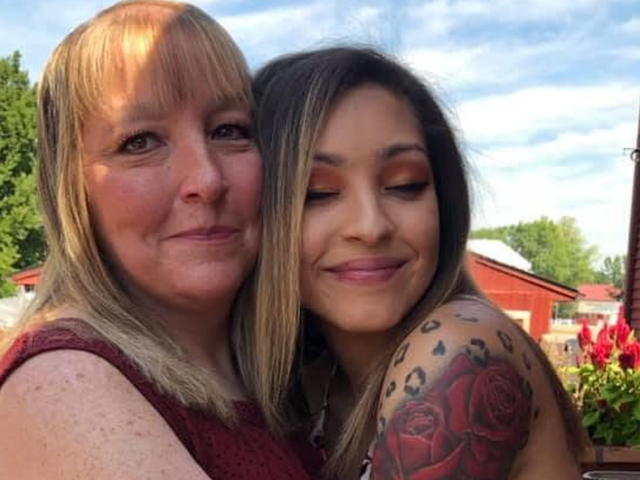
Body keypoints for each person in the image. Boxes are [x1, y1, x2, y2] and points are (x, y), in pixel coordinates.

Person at [0, 2, 321, 479]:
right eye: (140, 142)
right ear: (72, 188)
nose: (206, 179)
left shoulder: (300, 375)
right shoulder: (64, 384)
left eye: (229, 130)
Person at [252, 47, 590, 480]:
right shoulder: (316, 384)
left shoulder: (457, 349)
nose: (370, 227)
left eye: (404, 185)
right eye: (318, 193)